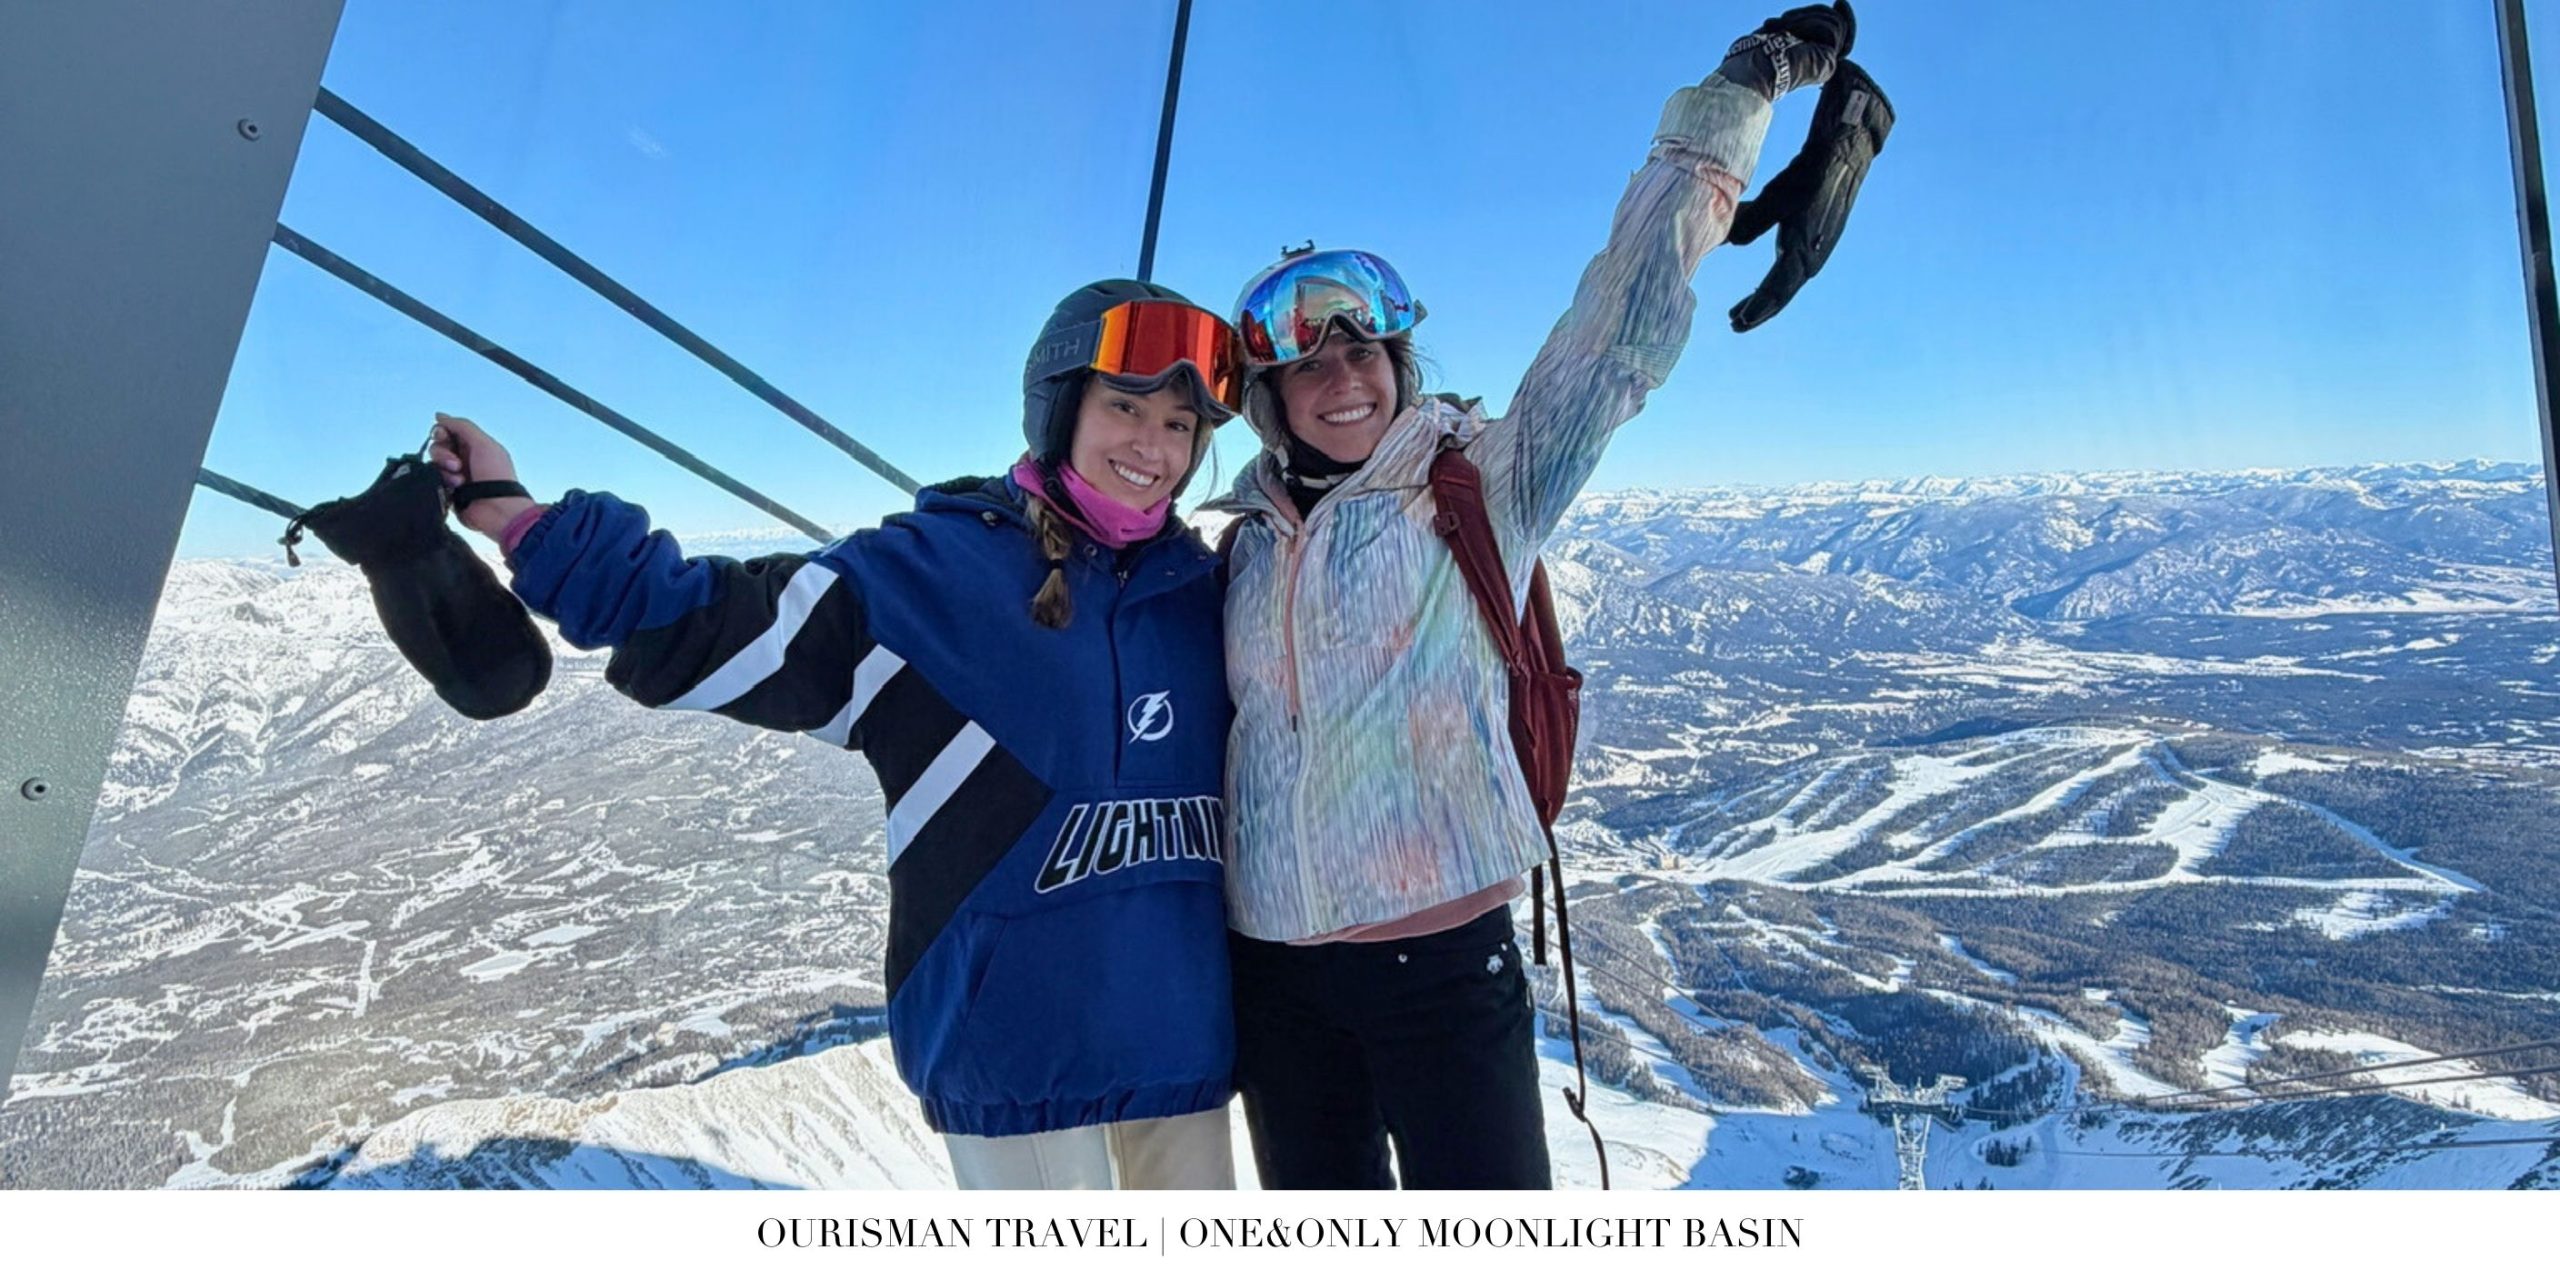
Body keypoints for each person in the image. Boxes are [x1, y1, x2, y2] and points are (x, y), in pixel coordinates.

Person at [1207, 5, 1882, 1189]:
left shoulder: (1486, 478)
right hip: (1273, 975)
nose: (1341, 378)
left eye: (1363, 353)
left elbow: (1617, 328)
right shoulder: (1241, 542)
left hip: (1438, 963)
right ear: (1268, 398)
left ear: (1397, 364)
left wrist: (1740, 95)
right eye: (1306, 362)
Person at [428, 279, 1248, 1190]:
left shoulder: (1205, 594)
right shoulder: (937, 578)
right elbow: (716, 625)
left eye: (1180, 425)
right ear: (1059, 409)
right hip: (1016, 1059)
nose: (1152, 447)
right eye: (1125, 407)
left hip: (1181, 1045)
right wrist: (519, 518)